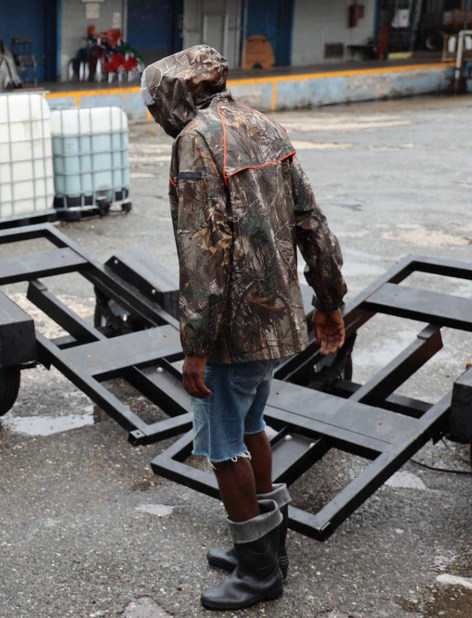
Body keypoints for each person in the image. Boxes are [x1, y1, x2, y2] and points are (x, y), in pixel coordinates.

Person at [141, 46, 348, 611]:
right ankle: (269, 547)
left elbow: (202, 251)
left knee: (221, 443)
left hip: (232, 332)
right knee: (252, 424)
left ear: (174, 95)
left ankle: (258, 572)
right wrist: (328, 300)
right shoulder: (263, 125)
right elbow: (312, 222)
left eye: (154, 104)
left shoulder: (196, 140)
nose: (154, 116)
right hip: (276, 320)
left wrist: (196, 346)